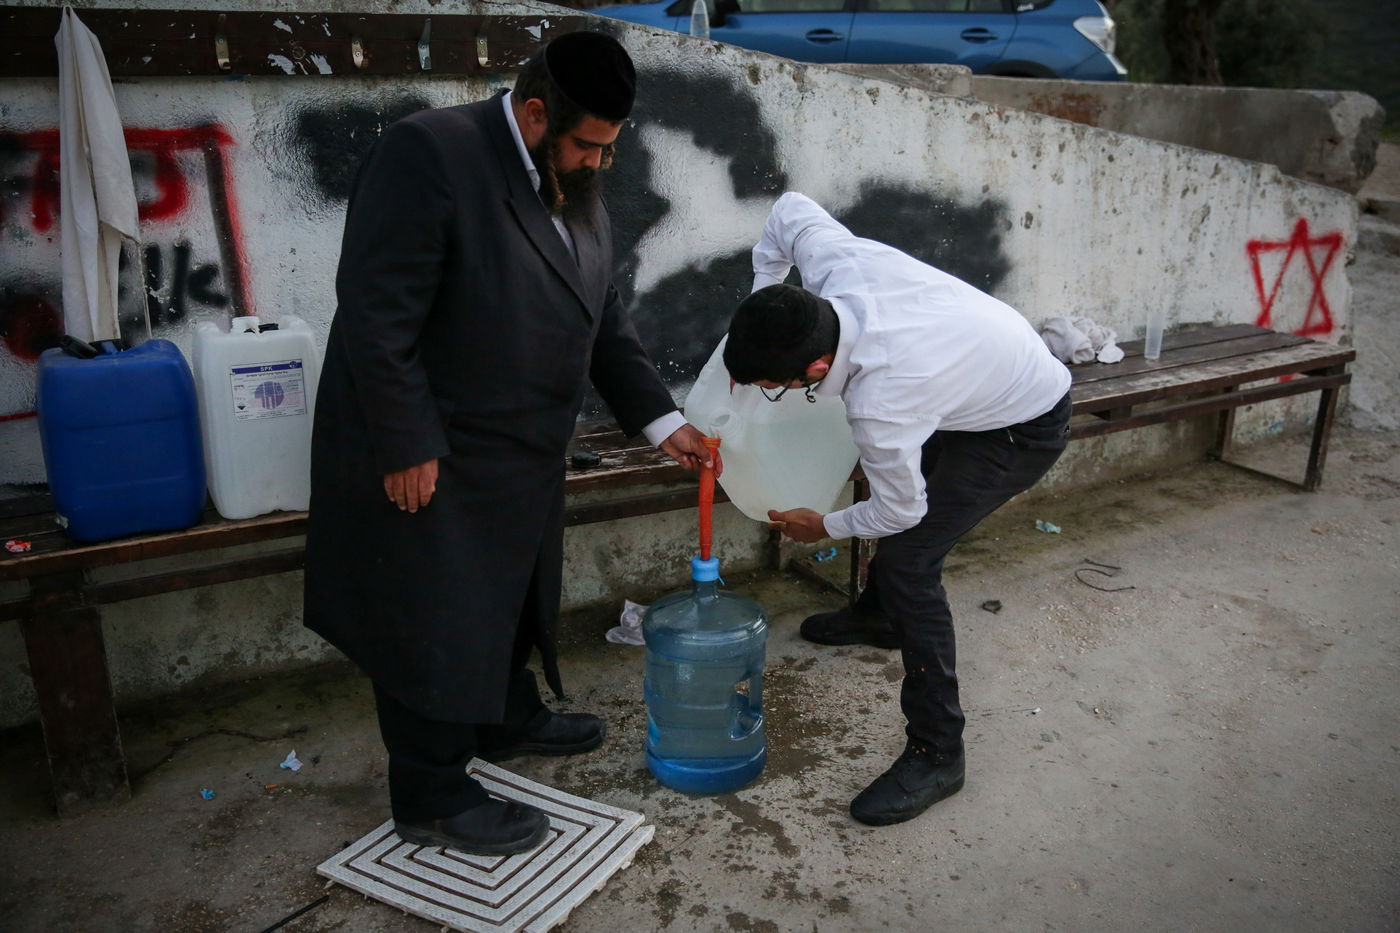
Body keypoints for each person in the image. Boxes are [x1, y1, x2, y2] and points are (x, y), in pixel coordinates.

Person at [303, 32, 716, 857]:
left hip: (518, 451)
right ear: (534, 114)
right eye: (589, 145)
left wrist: (664, 422)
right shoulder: (430, 152)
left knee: (508, 596)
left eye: (610, 146)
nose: (602, 163)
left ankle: (503, 716)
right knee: (435, 617)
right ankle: (430, 791)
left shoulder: (571, 178)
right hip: (437, 446)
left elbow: (603, 316)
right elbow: (376, 311)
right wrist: (404, 442)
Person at [723, 192, 1071, 827]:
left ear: (819, 366)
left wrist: (819, 525)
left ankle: (939, 751)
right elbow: (788, 211)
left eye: (777, 385)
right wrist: (759, 297)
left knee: (911, 560)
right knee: (898, 521)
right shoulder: (835, 268)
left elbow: (901, 512)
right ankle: (879, 617)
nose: (771, 393)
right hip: (968, 383)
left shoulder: (883, 401)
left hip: (1021, 423)